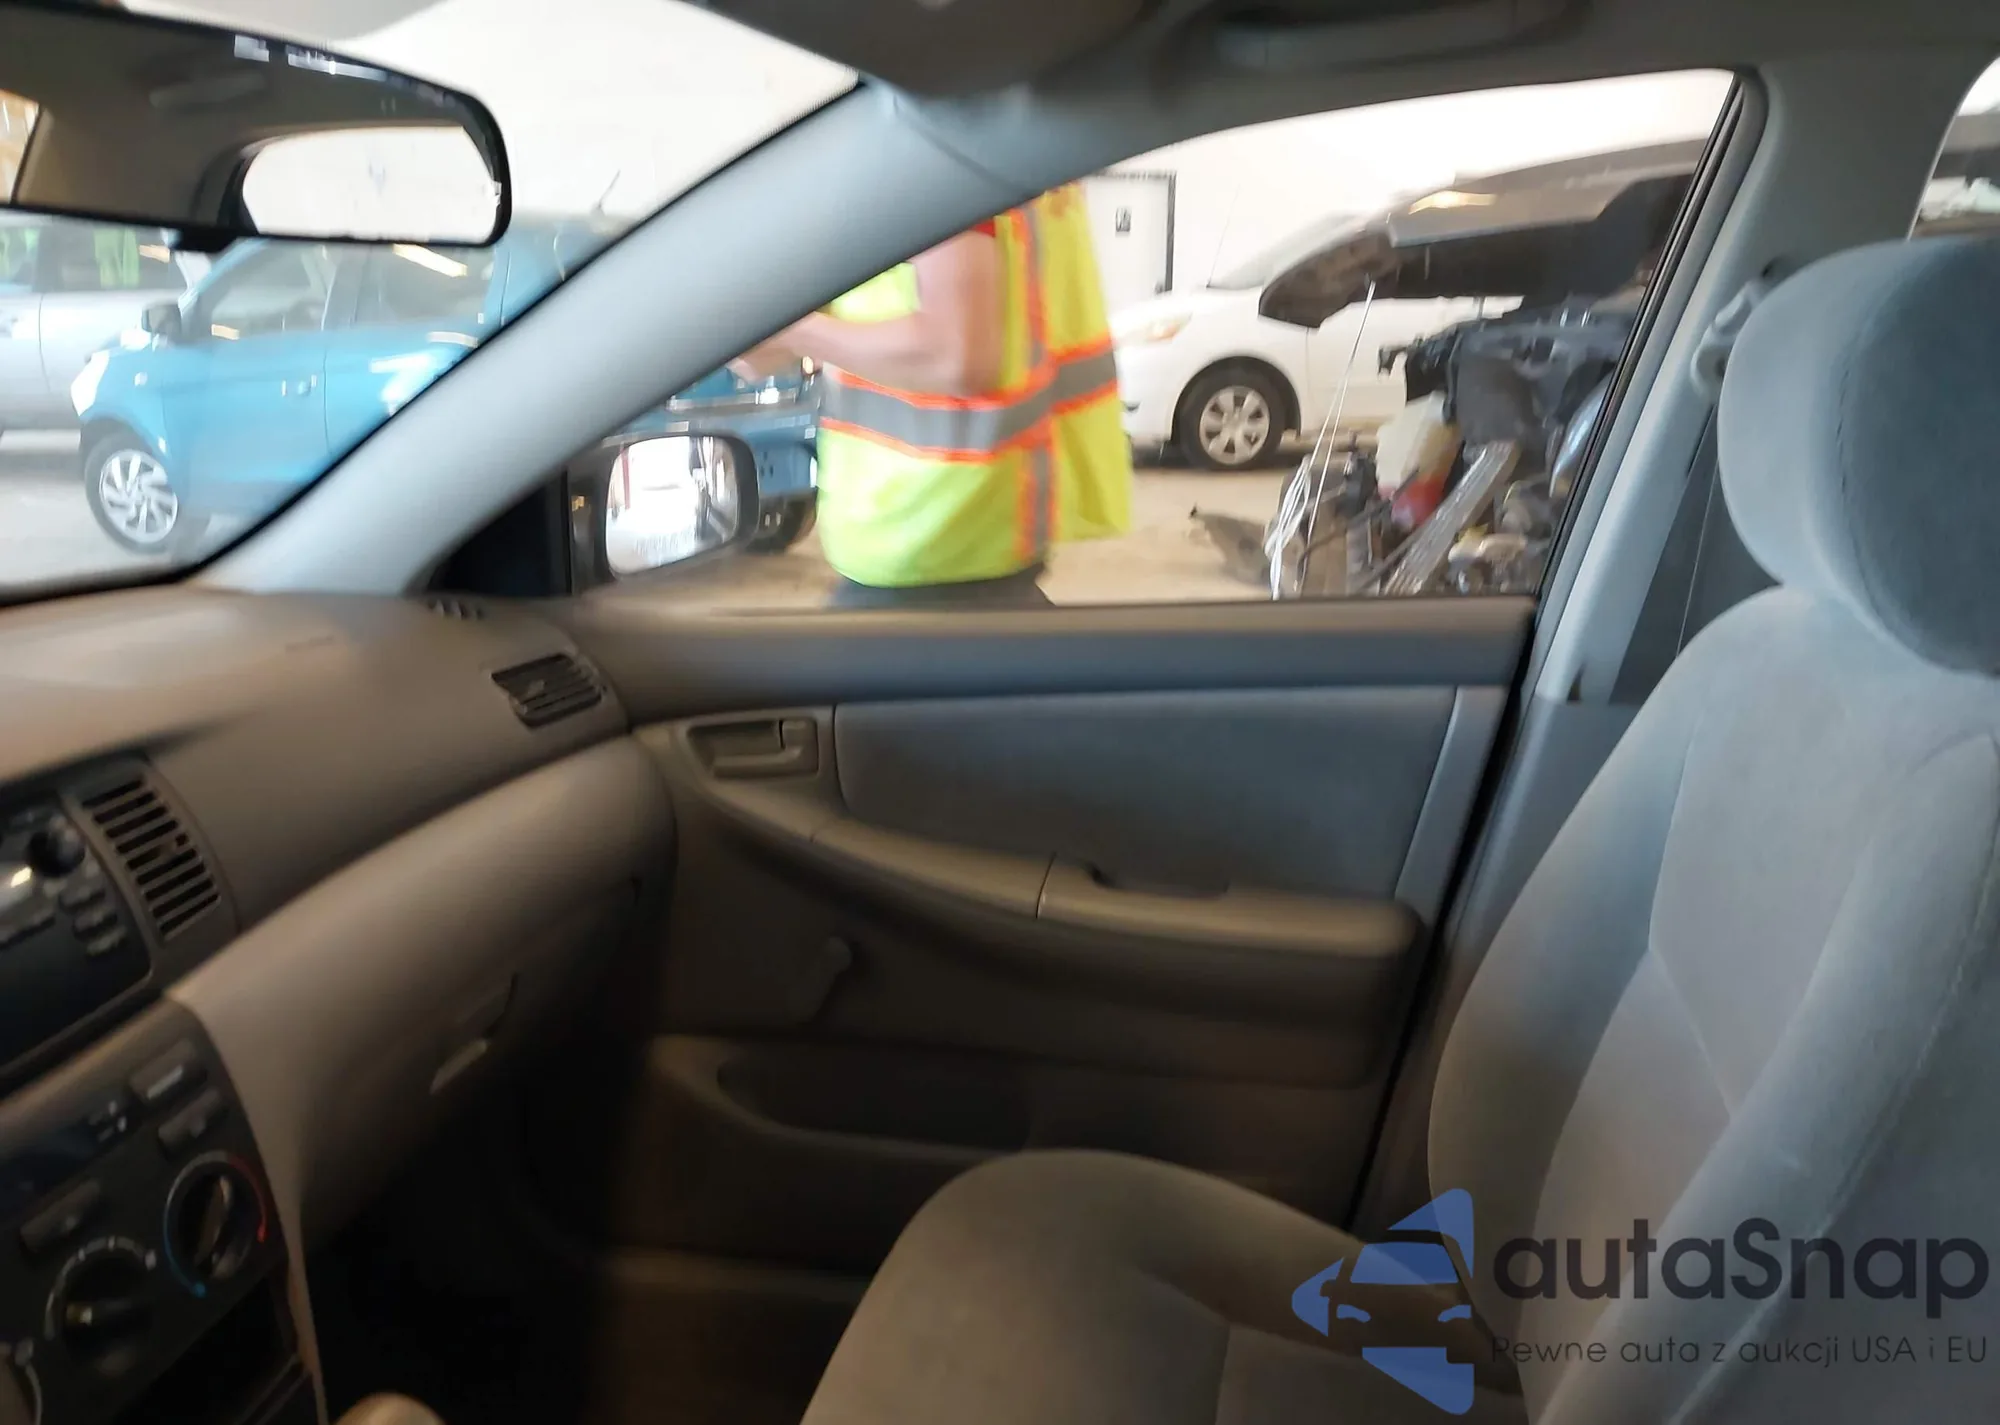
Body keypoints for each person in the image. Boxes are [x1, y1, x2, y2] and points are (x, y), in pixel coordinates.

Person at [731, 184, 1132, 608]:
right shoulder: (1009, 160)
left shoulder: (937, 158)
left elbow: (954, 356)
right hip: (966, 528)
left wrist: (795, 333)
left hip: (929, 530)